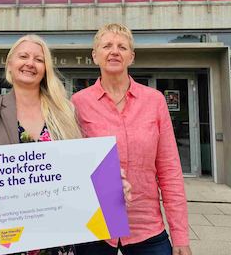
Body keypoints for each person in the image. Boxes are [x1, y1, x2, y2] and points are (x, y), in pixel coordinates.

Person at [72, 23, 191, 255]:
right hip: (95, 228)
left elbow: (170, 171)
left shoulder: (154, 101)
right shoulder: (78, 104)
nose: (114, 51)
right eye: (107, 46)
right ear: (95, 56)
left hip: (146, 227)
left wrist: (180, 236)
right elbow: (72, 170)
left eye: (122, 47)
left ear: (132, 57)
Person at [0, 35, 84, 255]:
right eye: (23, 56)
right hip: (0, 234)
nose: (30, 63)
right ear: (10, 64)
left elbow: (79, 172)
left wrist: (109, 182)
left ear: (45, 68)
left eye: (38, 59)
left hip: (53, 236)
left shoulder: (65, 112)